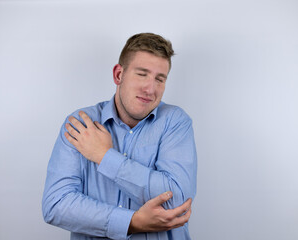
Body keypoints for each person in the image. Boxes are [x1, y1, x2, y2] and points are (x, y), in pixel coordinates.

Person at [42, 33, 197, 240]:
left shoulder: (176, 122)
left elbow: (177, 202)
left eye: (160, 79)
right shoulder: (80, 123)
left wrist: (105, 156)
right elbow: (56, 205)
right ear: (118, 75)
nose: (150, 89)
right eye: (142, 74)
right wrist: (132, 222)